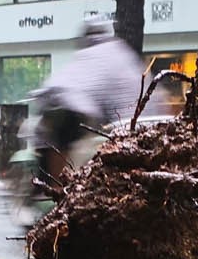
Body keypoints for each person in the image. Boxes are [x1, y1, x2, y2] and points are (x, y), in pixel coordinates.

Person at [31, 15, 144, 180]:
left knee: (56, 137)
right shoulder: (124, 54)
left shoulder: (90, 55)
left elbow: (59, 89)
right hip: (138, 127)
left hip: (85, 113)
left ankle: (57, 187)